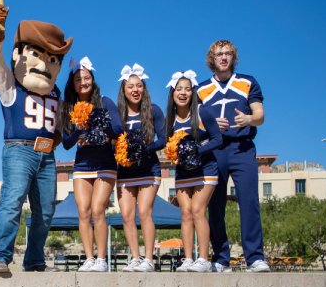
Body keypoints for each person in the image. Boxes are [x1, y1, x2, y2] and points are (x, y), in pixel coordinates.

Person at [0, 5, 73, 273]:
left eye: (52, 58)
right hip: (18, 150)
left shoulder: (56, 93)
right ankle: (0, 256)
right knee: (12, 202)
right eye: (36, 54)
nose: (45, 63)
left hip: (47, 155)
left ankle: (35, 259)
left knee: (45, 211)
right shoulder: (11, 86)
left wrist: (57, 139)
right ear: (19, 55)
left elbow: (59, 126)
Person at [197, 41, 270, 272]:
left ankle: (255, 257)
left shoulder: (247, 82)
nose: (224, 57)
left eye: (228, 53)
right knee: (215, 204)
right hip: (214, 150)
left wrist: (249, 119)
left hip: (242, 147)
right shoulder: (201, 89)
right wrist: (208, 125)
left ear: (233, 57)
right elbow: (194, 124)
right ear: (212, 58)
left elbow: (260, 115)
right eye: (219, 54)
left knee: (248, 201)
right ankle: (220, 258)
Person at [59, 57, 122, 272]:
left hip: (105, 163)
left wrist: (99, 131)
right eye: (78, 79)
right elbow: (66, 144)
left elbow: (118, 129)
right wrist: (78, 128)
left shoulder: (104, 102)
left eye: (86, 78)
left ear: (93, 80)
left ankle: (102, 259)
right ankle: (89, 258)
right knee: (83, 211)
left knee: (97, 210)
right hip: (82, 165)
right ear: (73, 84)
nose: (83, 82)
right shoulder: (69, 107)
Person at [166, 71, 223, 272]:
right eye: (179, 89)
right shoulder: (170, 119)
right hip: (182, 172)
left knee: (198, 210)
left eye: (187, 89)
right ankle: (188, 258)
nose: (183, 93)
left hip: (206, 169)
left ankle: (204, 259)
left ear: (193, 92)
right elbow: (169, 145)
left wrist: (197, 149)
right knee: (185, 213)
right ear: (172, 93)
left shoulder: (202, 112)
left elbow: (218, 139)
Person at [115, 64, 166, 272]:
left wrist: (144, 148)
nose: (135, 90)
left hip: (148, 169)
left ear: (143, 88)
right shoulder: (118, 113)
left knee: (144, 212)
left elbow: (163, 139)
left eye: (139, 86)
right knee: (127, 215)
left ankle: (149, 259)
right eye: (130, 86)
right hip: (125, 171)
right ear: (124, 90)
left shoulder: (154, 110)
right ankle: (135, 258)